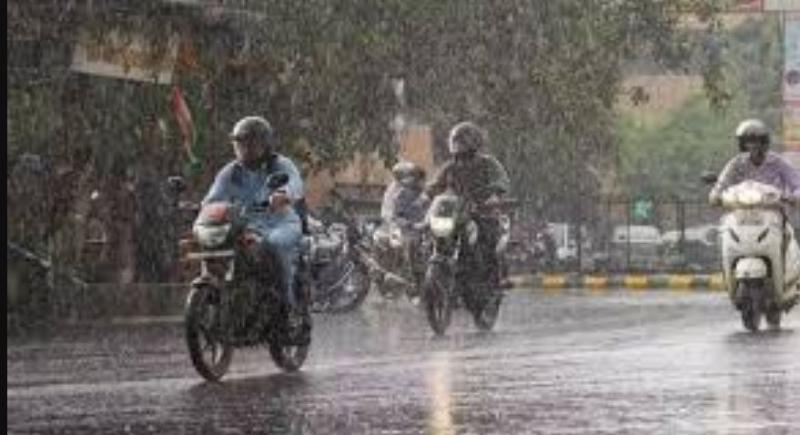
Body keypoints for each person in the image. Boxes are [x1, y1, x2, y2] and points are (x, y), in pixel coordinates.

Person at [201, 116, 307, 327]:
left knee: (275, 245)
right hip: (245, 226)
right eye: (240, 144)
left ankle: (288, 308)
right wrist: (204, 208)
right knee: (215, 246)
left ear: (264, 144)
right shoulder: (231, 172)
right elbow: (213, 198)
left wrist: (283, 194)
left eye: (250, 144)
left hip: (280, 223)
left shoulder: (279, 164)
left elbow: (295, 184)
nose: (244, 149)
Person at [709, 118, 800, 294]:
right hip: (741, 214)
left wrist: (794, 196)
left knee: (789, 237)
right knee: (723, 231)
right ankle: (728, 272)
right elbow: (722, 183)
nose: (752, 146)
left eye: (756, 141)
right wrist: (715, 194)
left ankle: (788, 278)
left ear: (764, 142)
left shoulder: (777, 162)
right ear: (742, 144)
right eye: (747, 142)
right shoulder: (737, 163)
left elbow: (796, 182)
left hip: (773, 214)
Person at [427, 121, 512, 287]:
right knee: (436, 236)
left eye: (462, 141)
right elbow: (436, 185)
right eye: (456, 141)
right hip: (457, 213)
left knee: (487, 240)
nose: (458, 145)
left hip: (482, 211)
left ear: (474, 142)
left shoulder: (488, 163)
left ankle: (496, 279)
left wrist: (494, 194)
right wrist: (426, 194)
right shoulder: (451, 166)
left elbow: (502, 181)